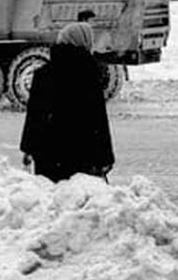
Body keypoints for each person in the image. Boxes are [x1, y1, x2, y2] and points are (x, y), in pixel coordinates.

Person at [20, 22, 114, 183]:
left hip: (48, 155)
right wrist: (105, 157)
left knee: (52, 202)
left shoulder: (43, 74)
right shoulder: (89, 74)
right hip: (82, 154)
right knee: (77, 202)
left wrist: (28, 149)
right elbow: (97, 119)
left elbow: (35, 116)